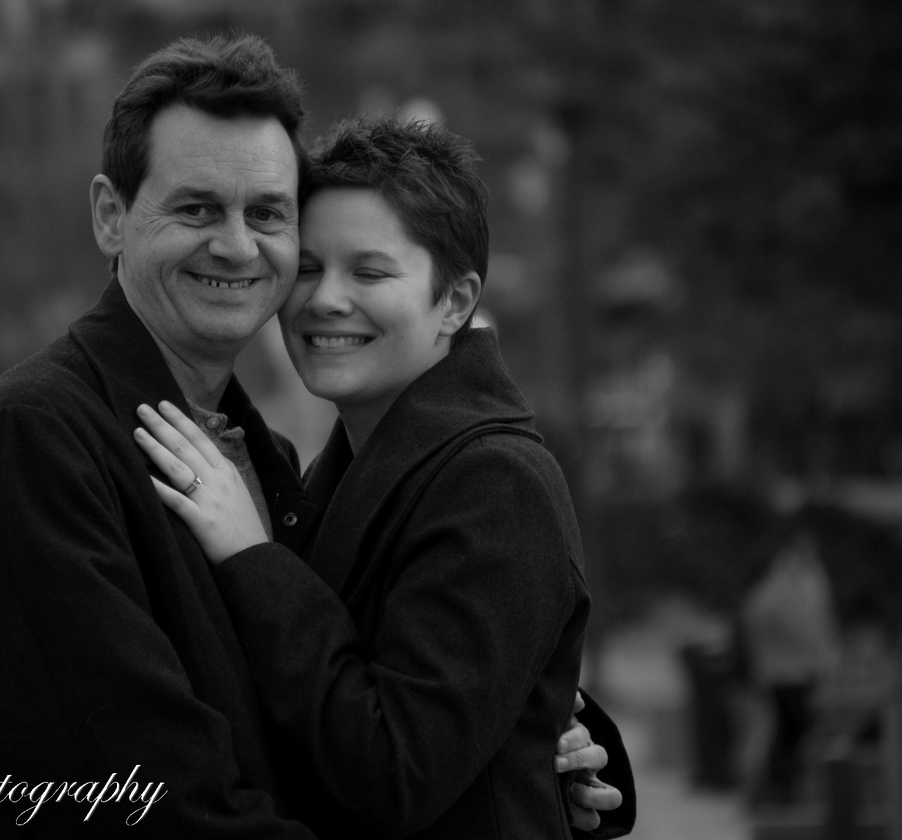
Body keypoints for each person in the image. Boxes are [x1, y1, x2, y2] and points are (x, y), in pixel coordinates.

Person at [0, 34, 628, 837]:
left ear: (455, 300)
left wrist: (529, 736)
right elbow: (155, 804)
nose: (238, 246)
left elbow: (348, 712)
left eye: (268, 214)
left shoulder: (266, 463)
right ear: (110, 217)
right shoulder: (36, 442)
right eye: (196, 208)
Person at [134, 116, 631, 838]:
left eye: (369, 272)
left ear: (454, 301)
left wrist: (252, 559)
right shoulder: (346, 468)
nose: (325, 299)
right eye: (308, 268)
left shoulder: (496, 482)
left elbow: (398, 771)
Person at [740, 525, 838, 804]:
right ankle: (778, 788)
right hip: (785, 673)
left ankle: (782, 788)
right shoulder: (781, 583)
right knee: (791, 732)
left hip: (798, 670)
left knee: (790, 733)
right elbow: (767, 616)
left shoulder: (809, 579)